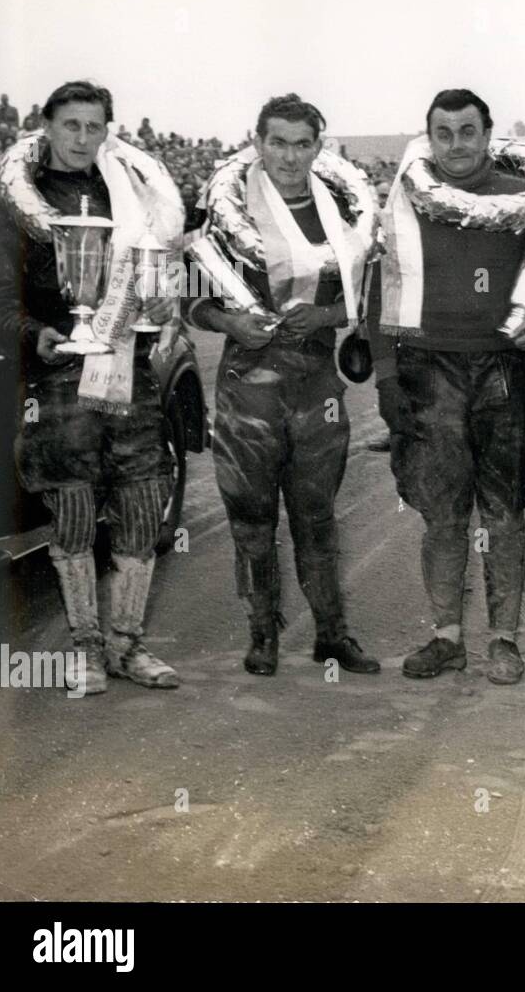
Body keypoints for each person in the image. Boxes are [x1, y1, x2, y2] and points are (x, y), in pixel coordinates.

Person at [0, 80, 184, 695]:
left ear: (108, 132)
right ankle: (85, 650)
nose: (81, 137)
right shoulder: (11, 203)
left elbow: (165, 268)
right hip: (58, 373)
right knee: (71, 511)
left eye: (93, 126)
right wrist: (37, 332)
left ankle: (130, 646)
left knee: (141, 504)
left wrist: (162, 295)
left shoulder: (130, 195)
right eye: (69, 125)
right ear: (45, 127)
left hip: (130, 367)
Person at [372, 88, 525, 685]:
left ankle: (504, 639)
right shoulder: (405, 199)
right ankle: (446, 636)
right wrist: (385, 376)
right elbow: (382, 286)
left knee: (504, 512)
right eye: (444, 133)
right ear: (428, 137)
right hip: (429, 369)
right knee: (443, 516)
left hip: (506, 371)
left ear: (488, 134)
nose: (456, 145)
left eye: (467, 131)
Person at [186, 93, 381, 677]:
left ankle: (331, 635)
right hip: (249, 384)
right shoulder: (225, 211)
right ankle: (262, 634)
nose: (291, 157)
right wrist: (230, 322)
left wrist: (326, 317)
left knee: (316, 513)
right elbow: (190, 301)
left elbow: (369, 296)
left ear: (319, 148)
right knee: (251, 516)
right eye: (279, 143)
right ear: (258, 142)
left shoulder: (342, 215)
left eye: (303, 144)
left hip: (317, 381)